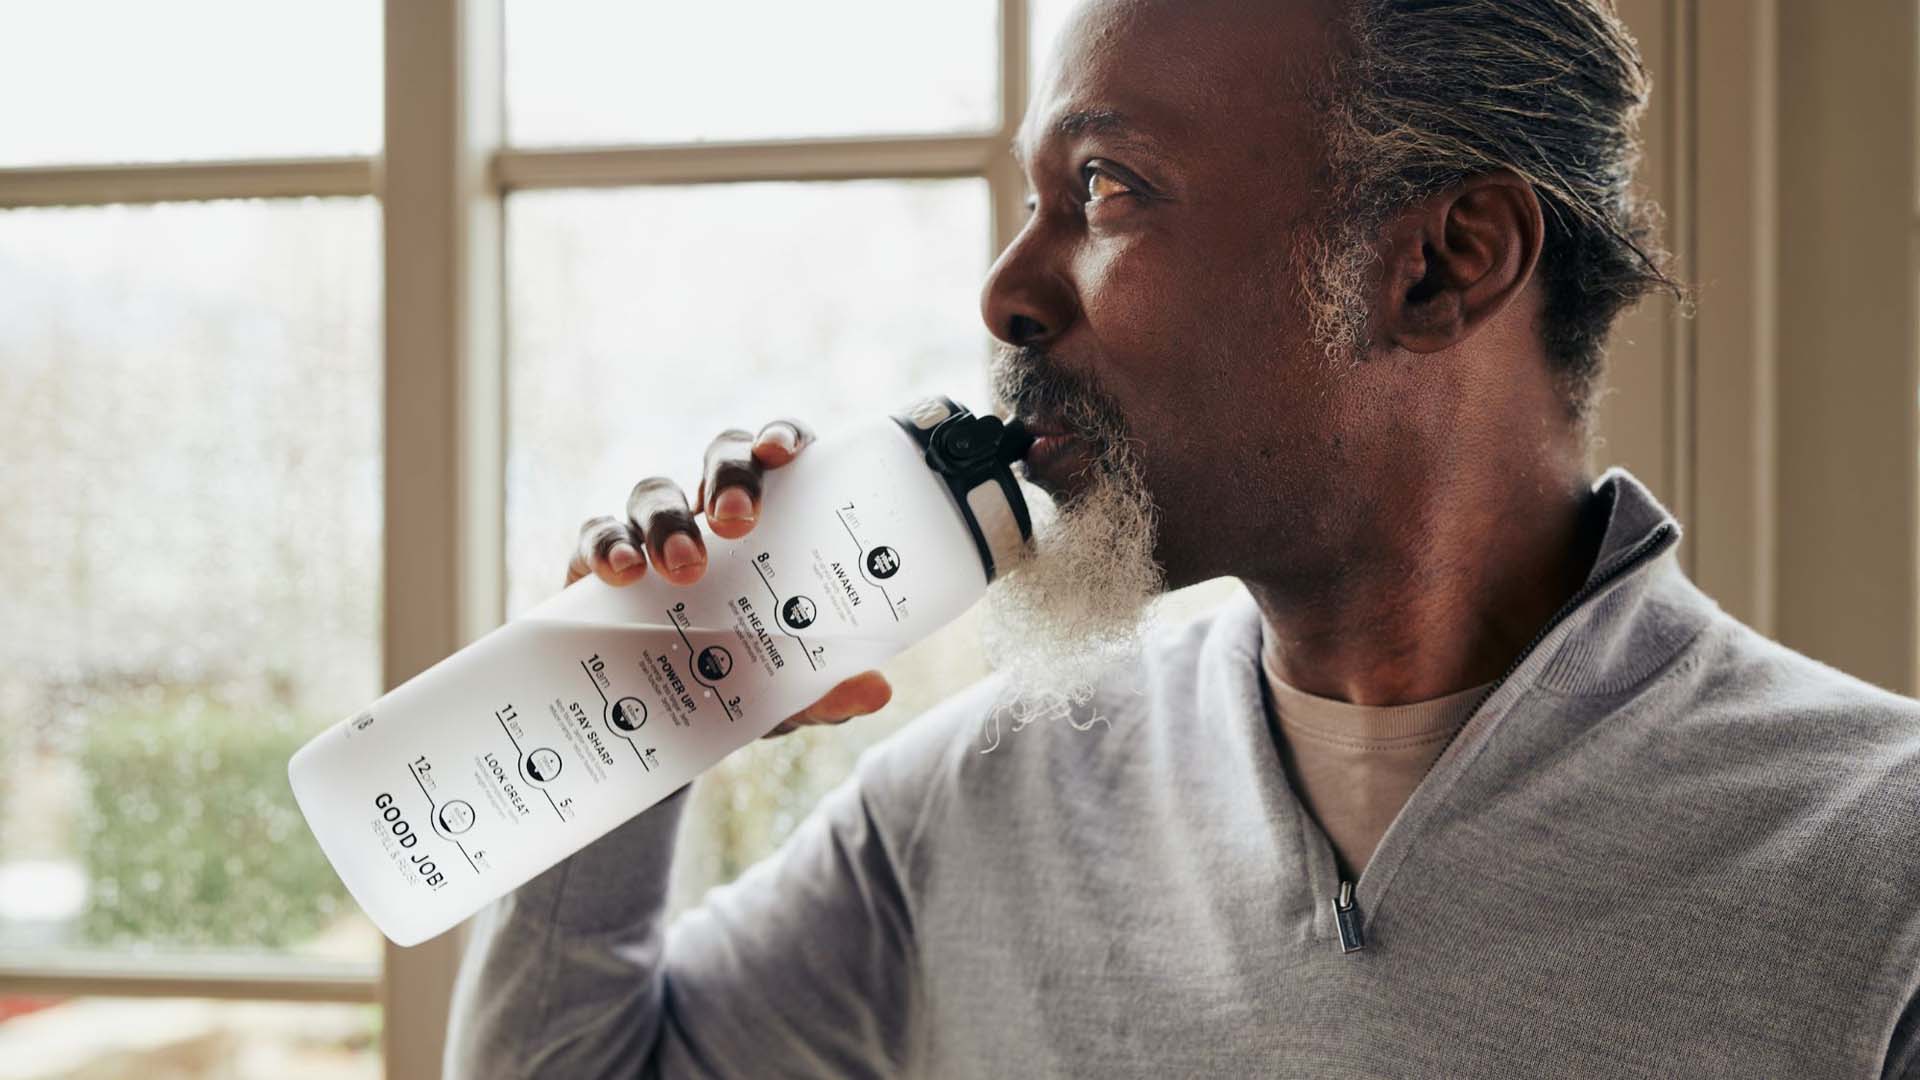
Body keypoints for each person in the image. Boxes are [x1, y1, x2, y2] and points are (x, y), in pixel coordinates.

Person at [444, 1, 1920, 1076]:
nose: (1006, 293)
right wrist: (624, 713)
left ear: (1443, 262)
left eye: (1106, 188)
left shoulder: (1881, 870)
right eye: (1035, 198)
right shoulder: (983, 800)